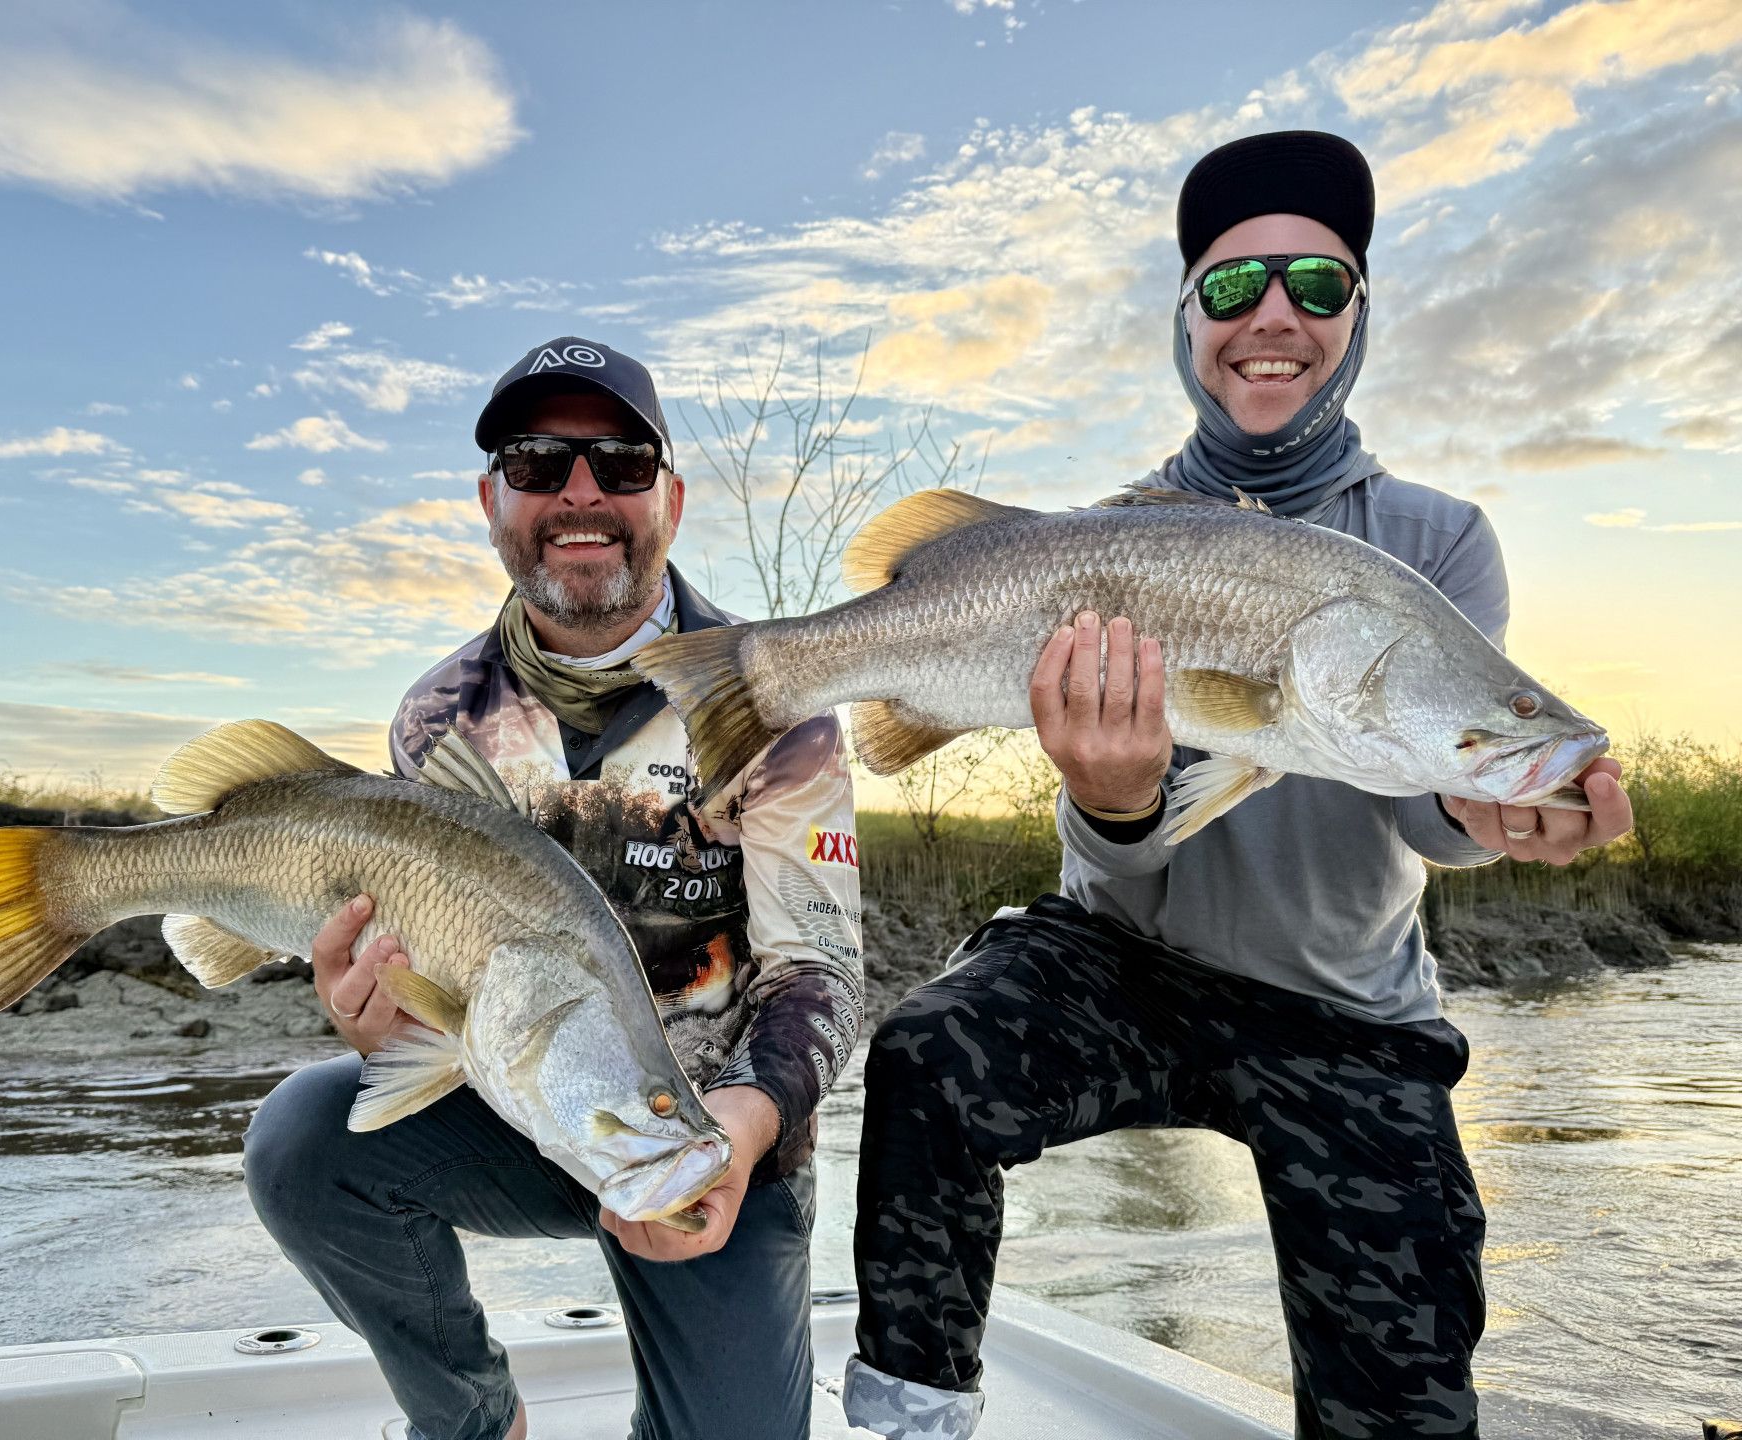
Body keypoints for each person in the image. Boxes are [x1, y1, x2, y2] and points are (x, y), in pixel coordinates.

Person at [842, 132, 1634, 1440]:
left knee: (1407, 1408)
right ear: (1186, 322)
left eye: (1316, 288)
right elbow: (1120, 852)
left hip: (1348, 1007)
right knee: (926, 1054)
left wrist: (1497, 810)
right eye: (1232, 287)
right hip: (1123, 960)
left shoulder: (1438, 542)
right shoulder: (1098, 537)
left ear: (1358, 316)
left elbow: (1425, 795)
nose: (1273, 316)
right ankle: (910, 1416)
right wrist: (1113, 798)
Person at [244, 337, 866, 1440]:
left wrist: (746, 1125)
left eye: (621, 464)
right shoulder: (435, 717)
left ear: (670, 498)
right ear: (493, 500)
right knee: (302, 1140)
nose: (581, 494)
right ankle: (479, 1421)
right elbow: (422, 987)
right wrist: (366, 1013)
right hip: (512, 1112)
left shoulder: (777, 701)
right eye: (538, 463)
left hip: (708, 1143)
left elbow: (821, 972)